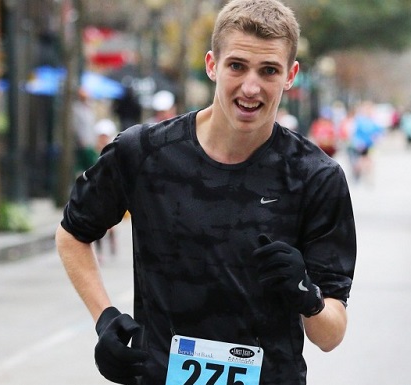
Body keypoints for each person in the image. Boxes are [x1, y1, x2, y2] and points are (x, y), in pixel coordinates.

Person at [55, 1, 357, 384]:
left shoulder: (315, 177)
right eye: (237, 66)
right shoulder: (144, 152)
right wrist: (104, 318)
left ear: (290, 75)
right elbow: (72, 233)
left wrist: (308, 296)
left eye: (268, 71)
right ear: (212, 65)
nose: (251, 87)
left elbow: (331, 335)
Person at [91, 118, 118, 262]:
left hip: (110, 191)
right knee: (98, 222)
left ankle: (112, 242)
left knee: (110, 224)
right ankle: (99, 251)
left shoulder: (114, 152)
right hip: (95, 191)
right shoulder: (91, 152)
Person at [72, 88, 98, 173]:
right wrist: (80, 140)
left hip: (90, 142)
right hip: (81, 144)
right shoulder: (76, 109)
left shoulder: (89, 109)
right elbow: (75, 126)